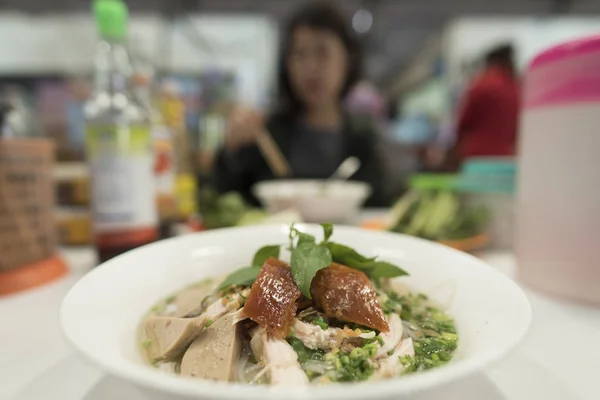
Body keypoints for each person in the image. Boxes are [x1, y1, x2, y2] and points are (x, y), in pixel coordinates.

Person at [212, 1, 387, 206]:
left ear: (348, 60)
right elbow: (224, 198)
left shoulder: (365, 139)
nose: (310, 67)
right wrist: (230, 151)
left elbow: (382, 204)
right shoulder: (266, 134)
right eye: (299, 54)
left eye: (323, 52)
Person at [450, 44, 520, 165]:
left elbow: (463, 123)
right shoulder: (517, 88)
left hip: (477, 159)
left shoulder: (481, 85)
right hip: (507, 158)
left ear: (490, 63)